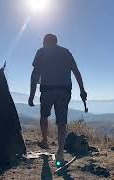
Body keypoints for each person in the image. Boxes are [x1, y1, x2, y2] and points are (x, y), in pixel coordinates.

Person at [28, 34, 87, 165]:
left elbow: (35, 74)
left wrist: (31, 95)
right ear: (56, 41)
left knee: (44, 116)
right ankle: (60, 151)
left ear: (45, 42)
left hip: (47, 89)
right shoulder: (66, 52)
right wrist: (82, 90)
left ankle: (44, 141)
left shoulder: (41, 52)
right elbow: (76, 71)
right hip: (64, 90)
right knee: (62, 121)